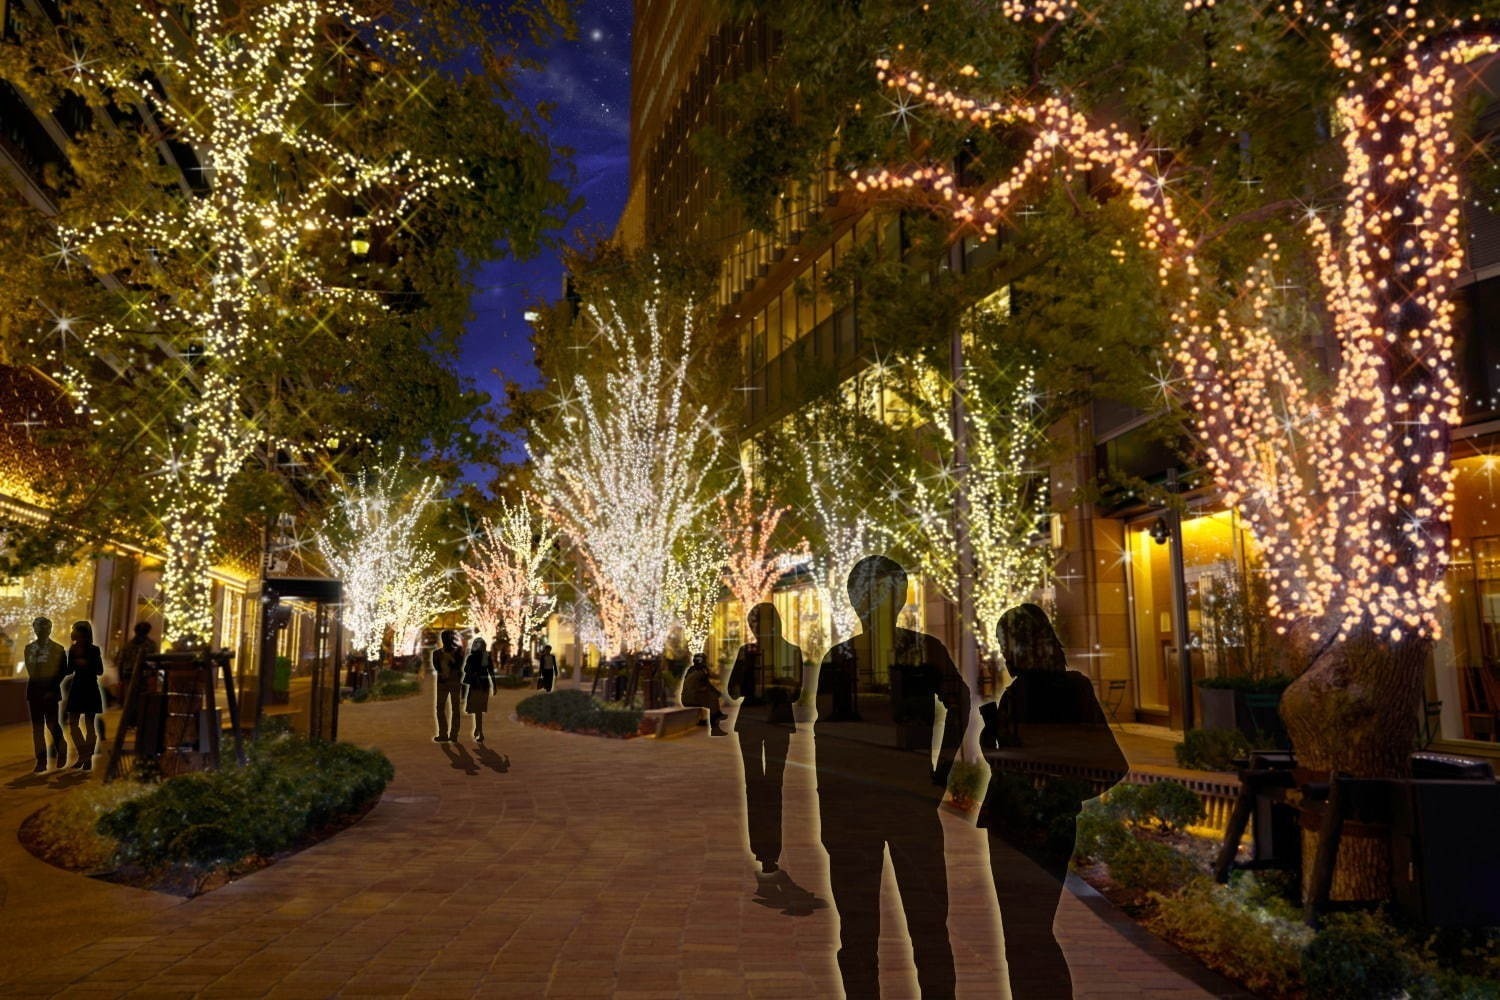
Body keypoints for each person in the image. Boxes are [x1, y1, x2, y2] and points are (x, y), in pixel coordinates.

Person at [814, 555, 969, 1000]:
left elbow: (825, 738)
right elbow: (827, 739)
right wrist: (940, 771)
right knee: (889, 924)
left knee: (916, 921)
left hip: (887, 803)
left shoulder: (855, 655)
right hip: (888, 802)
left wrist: (942, 771)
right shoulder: (864, 655)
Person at [979, 603, 1128, 999]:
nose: (1003, 654)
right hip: (1051, 824)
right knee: (1034, 929)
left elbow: (1023, 767)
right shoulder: (1074, 689)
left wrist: (1035, 778)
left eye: (1004, 644)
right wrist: (1065, 793)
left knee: (1021, 933)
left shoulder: (1022, 695)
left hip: (1016, 824)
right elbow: (1111, 765)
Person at [727, 603, 804, 895]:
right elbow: (733, 691)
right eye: (753, 625)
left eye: (761, 624)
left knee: (773, 785)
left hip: (777, 722)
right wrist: (747, 669)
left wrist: (778, 686)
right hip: (750, 723)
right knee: (753, 786)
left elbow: (796, 692)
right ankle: (761, 849)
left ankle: (771, 852)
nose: (757, 631)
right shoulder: (747, 653)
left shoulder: (792, 652)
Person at [23, 617, 67, 773]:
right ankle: (41, 760)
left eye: (44, 628)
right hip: (35, 692)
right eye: (38, 628)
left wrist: (51, 688)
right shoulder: (29, 648)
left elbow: (62, 671)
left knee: (52, 724)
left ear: (49, 630)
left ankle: (62, 751)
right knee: (37, 728)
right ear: (34, 630)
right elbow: (31, 670)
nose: (41, 631)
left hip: (51, 692)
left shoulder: (58, 649)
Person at [62, 620, 105, 771]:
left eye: (75, 630)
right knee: (73, 724)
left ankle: (87, 759)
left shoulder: (94, 650)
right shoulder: (72, 649)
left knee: (89, 724)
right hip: (77, 688)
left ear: (83, 633)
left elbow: (99, 670)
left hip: (90, 688)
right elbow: (68, 670)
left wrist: (85, 664)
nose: (73, 633)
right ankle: (83, 755)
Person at [113, 621, 157, 722]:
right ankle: (135, 720)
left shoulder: (128, 645)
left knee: (132, 699)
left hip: (135, 675)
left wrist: (120, 676)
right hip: (139, 675)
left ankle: (133, 720)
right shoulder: (150, 645)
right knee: (137, 699)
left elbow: (120, 661)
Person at [680, 652, 726, 735]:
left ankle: (704, 720)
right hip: (693, 698)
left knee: (709, 696)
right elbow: (708, 685)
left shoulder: (690, 669)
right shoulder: (702, 671)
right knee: (713, 700)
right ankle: (715, 729)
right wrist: (719, 693)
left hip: (684, 698)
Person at [431, 630, 464, 743]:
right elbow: (438, 668)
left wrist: (449, 659)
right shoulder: (437, 653)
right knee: (443, 709)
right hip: (446, 683)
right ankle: (446, 734)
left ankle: (451, 734)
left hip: (449, 682)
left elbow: (458, 666)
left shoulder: (457, 652)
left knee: (453, 709)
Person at [462, 636, 495, 744]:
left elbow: (465, 669)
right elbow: (491, 671)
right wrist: (494, 685)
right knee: (479, 710)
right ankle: (478, 729)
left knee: (477, 710)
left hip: (476, 685)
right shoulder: (486, 656)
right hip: (483, 685)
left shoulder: (471, 657)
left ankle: (479, 730)